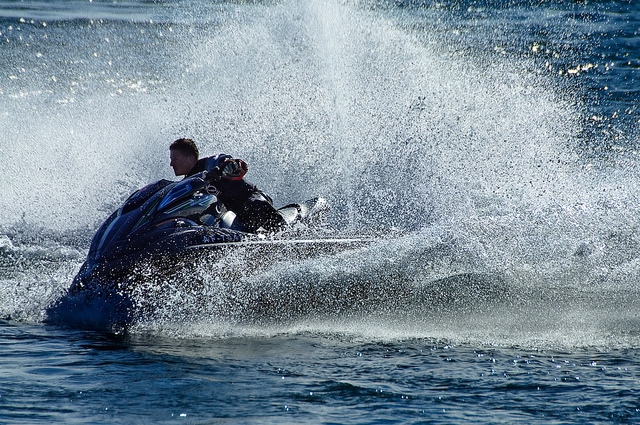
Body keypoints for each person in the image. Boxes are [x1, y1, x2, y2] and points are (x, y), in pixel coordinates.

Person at [169, 138, 285, 233]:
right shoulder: (188, 184)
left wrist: (225, 167)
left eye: (175, 159)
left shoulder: (209, 164)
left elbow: (226, 161)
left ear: (190, 158)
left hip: (250, 200)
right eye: (171, 159)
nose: (171, 164)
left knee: (255, 207)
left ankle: (286, 234)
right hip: (229, 217)